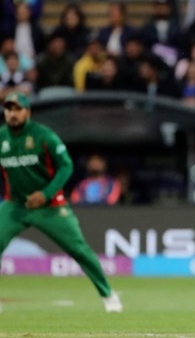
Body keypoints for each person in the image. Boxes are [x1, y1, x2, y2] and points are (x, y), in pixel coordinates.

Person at [0, 92, 122, 313]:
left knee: (79, 249)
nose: (13, 114)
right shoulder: (1, 138)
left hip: (50, 206)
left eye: (18, 109)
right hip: (15, 205)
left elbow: (66, 166)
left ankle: (108, 295)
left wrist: (45, 194)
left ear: (28, 112)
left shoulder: (43, 136)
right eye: (9, 109)